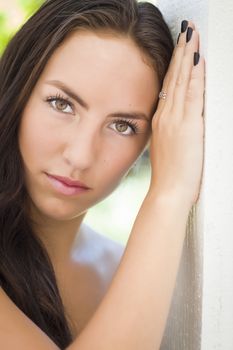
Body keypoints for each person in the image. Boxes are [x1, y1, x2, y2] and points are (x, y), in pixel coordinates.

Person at [0, 0, 205, 349]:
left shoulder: (127, 270)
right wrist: (168, 196)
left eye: (122, 126)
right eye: (62, 104)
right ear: (18, 90)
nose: (80, 156)